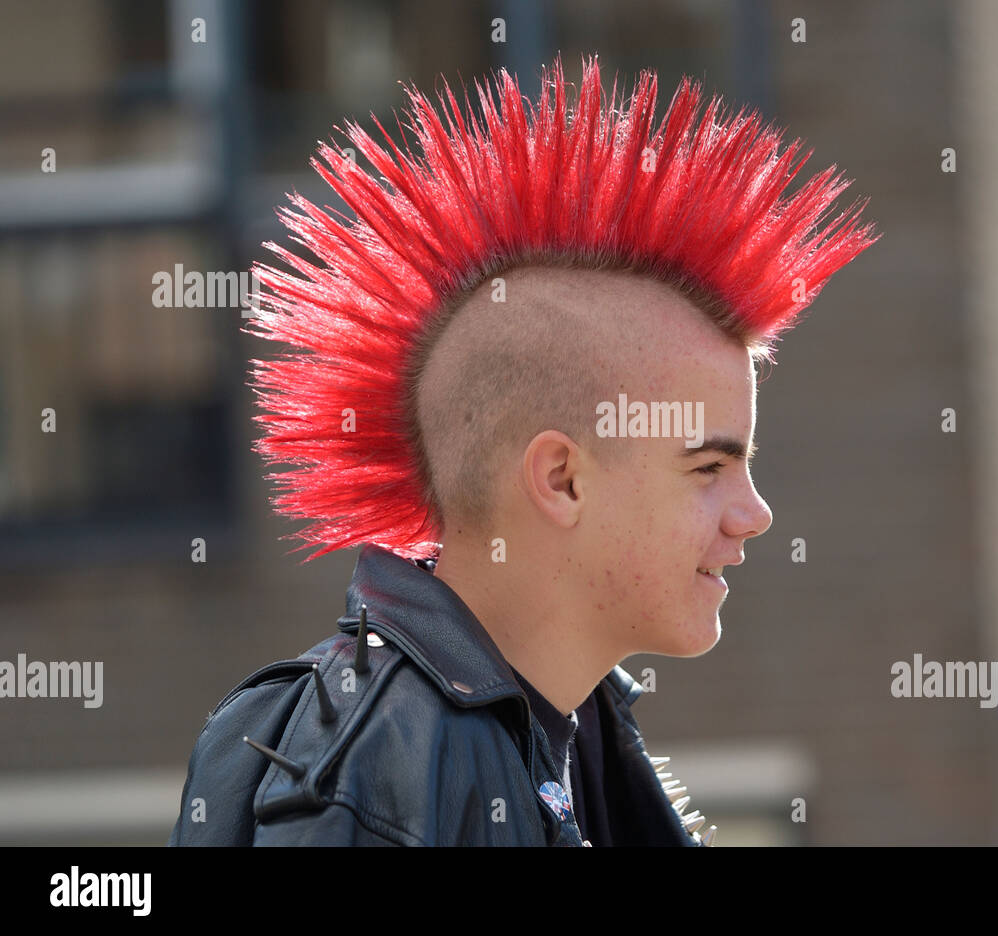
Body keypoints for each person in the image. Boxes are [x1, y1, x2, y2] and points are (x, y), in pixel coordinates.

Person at [168, 53, 878, 846]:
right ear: (562, 479)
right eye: (709, 467)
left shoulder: (578, 752)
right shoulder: (378, 781)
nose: (755, 514)